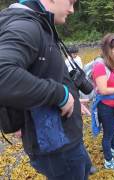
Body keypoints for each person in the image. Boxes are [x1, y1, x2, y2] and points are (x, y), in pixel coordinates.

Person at [0, 0, 93, 179]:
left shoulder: (38, 23)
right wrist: (61, 95)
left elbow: (42, 74)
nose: (72, 10)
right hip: (56, 146)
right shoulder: (26, 25)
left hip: (62, 138)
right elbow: (3, 73)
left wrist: (71, 96)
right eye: (71, 2)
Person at [91, 34, 114, 171]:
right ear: (107, 49)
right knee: (108, 134)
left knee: (113, 129)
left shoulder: (111, 63)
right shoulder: (100, 66)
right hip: (106, 107)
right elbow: (102, 90)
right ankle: (109, 161)